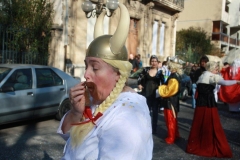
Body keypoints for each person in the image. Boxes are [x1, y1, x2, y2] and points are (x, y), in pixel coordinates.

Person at [57, 4, 153, 159]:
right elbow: (68, 137)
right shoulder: (96, 100)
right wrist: (75, 113)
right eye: (86, 65)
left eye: (95, 67)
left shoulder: (129, 115)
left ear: (118, 73)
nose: (86, 74)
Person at [186, 61, 240, 158]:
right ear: (212, 68)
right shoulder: (212, 76)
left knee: (198, 125)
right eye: (216, 69)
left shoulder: (202, 76)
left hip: (199, 105)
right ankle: (207, 145)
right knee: (211, 125)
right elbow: (224, 83)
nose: (217, 71)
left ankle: (196, 144)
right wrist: (236, 81)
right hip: (208, 104)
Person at [156, 61, 182, 144]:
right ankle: (175, 135)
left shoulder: (173, 77)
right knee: (173, 120)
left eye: (169, 67)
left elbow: (169, 90)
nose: (168, 68)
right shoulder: (176, 76)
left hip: (170, 101)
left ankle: (171, 137)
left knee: (170, 120)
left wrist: (160, 89)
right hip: (173, 101)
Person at [137, 55, 164, 134]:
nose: (154, 63)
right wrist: (139, 84)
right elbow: (139, 78)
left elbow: (163, 83)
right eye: (152, 61)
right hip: (146, 94)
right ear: (150, 62)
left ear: (157, 62)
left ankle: (154, 128)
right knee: (146, 111)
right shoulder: (146, 70)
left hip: (155, 95)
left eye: (155, 61)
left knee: (155, 112)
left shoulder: (160, 72)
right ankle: (146, 127)